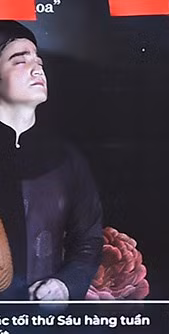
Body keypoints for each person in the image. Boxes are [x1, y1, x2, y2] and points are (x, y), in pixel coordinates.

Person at [0, 23, 102, 302]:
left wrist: (65, 284)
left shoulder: (66, 158)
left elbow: (88, 238)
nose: (37, 69)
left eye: (39, 61)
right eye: (20, 60)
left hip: (43, 320)